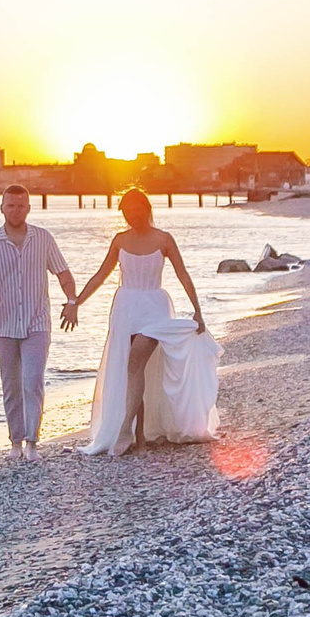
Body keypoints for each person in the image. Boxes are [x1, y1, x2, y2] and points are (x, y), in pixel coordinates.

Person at [64, 188, 218, 456]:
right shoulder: (120, 240)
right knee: (134, 370)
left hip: (155, 308)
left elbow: (183, 274)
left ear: (147, 209)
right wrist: (76, 302)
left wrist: (197, 310)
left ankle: (124, 428)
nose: (132, 216)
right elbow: (101, 275)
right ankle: (140, 439)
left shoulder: (164, 239)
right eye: (127, 211)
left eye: (137, 210)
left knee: (135, 362)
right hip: (125, 307)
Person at [0, 185, 76, 461]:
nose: (16, 210)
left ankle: (32, 442)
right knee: (11, 385)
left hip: (36, 323)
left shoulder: (43, 239)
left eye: (21, 205)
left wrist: (72, 301)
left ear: (29, 208)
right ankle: (15, 442)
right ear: (2, 208)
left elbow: (63, 273)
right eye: (11, 205)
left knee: (33, 382)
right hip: (3, 326)